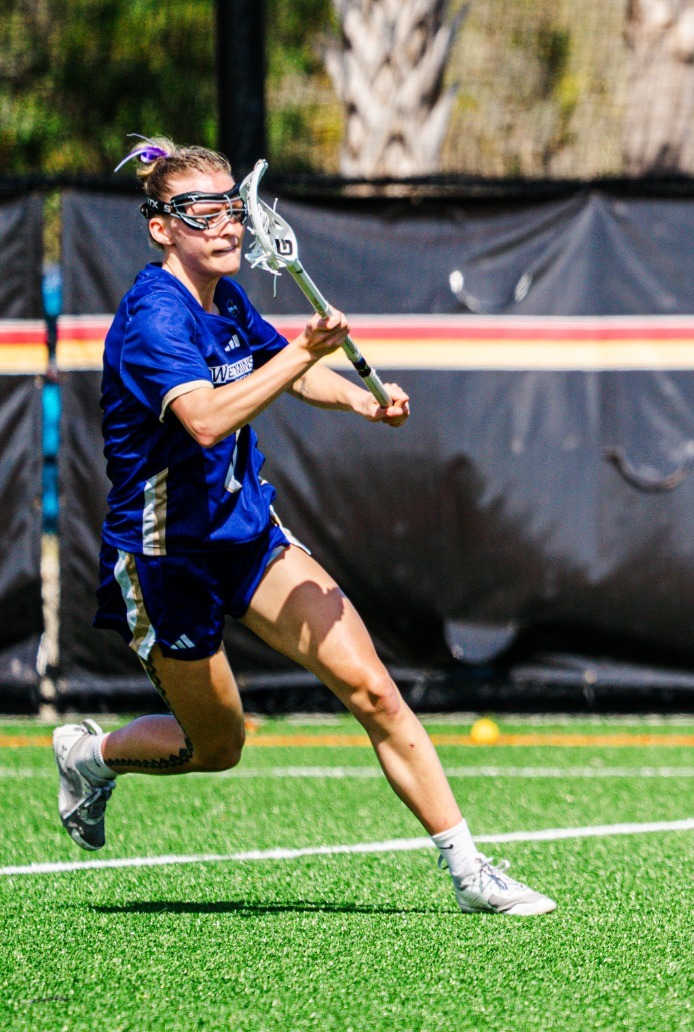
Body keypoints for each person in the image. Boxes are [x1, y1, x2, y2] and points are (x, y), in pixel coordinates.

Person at [50, 138, 553, 916]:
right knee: (218, 746)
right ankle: (91, 756)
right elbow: (210, 419)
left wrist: (358, 396)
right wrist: (297, 353)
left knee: (374, 688)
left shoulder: (226, 300)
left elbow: (282, 368)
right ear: (160, 226)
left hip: (249, 536)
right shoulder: (152, 318)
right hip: (166, 560)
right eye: (197, 209)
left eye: (228, 204)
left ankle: (469, 871)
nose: (222, 223)